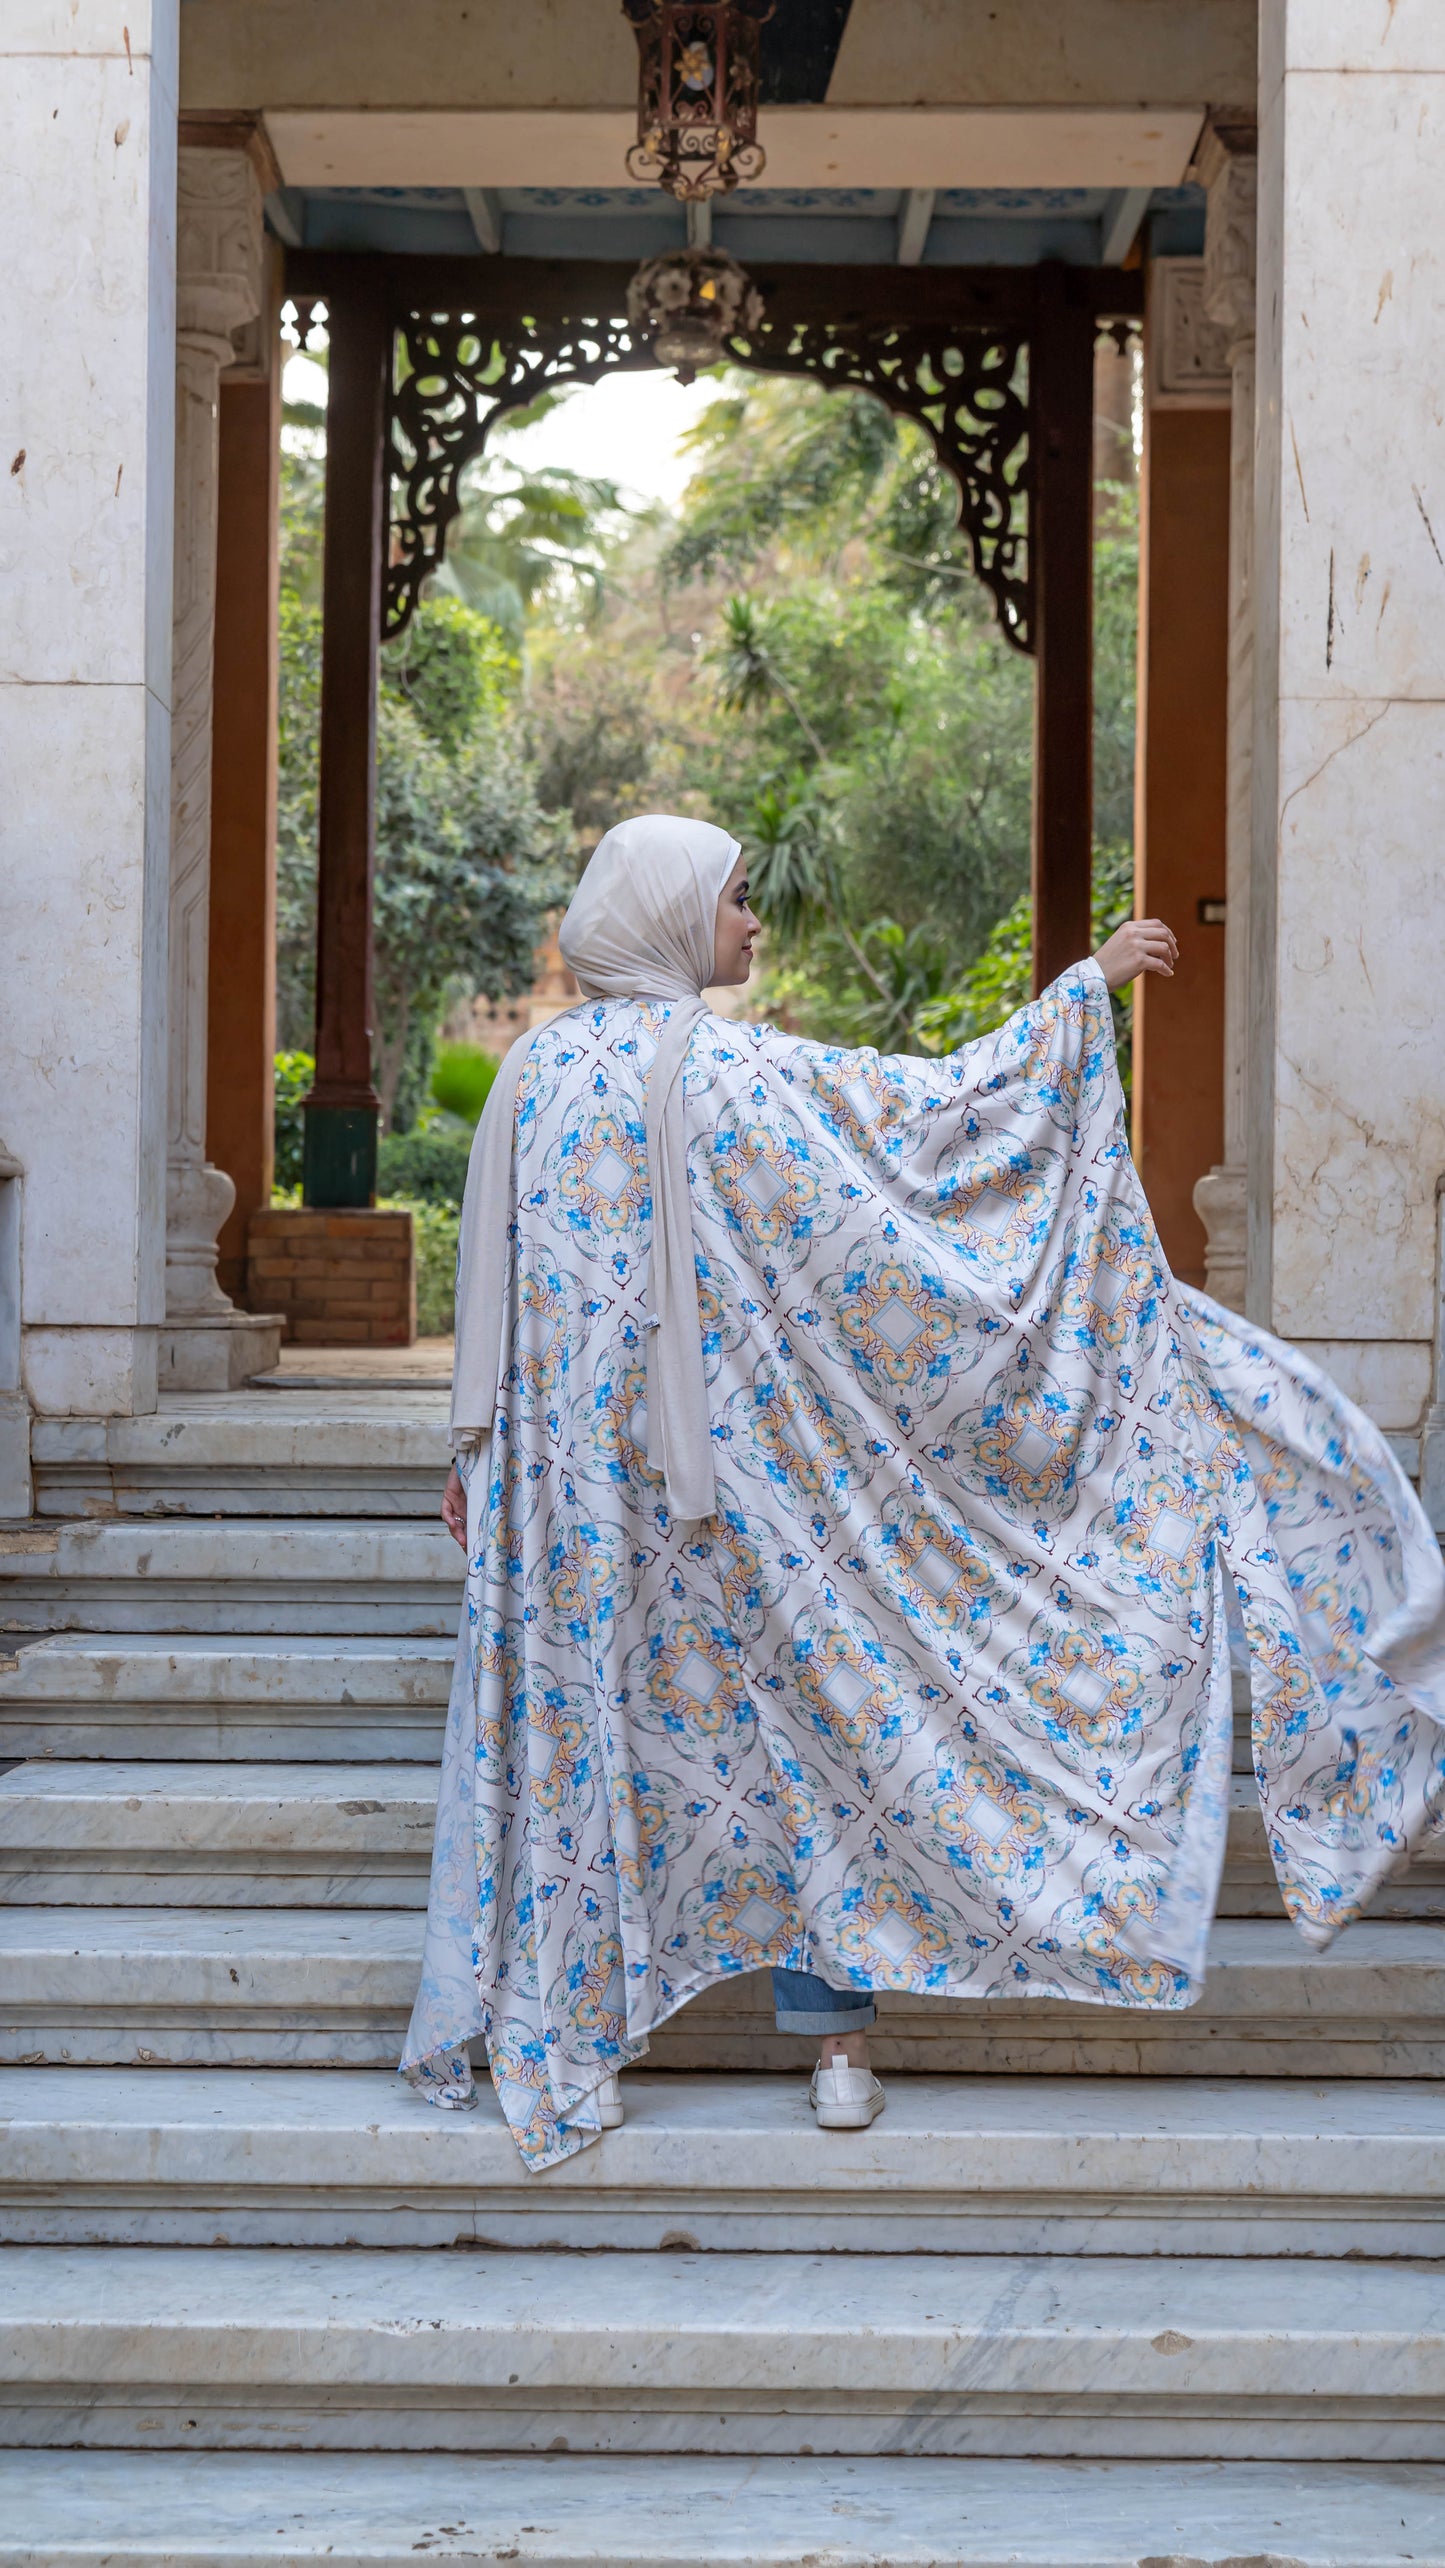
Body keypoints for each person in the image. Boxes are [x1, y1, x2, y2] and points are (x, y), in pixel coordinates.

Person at [403, 813, 1445, 2170]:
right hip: (721, 1495)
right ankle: (833, 2042)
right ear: (667, 916)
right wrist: (1081, 999)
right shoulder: (718, 1070)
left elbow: (487, 1284)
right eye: (731, 902)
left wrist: (471, 1449)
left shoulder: (536, 1072)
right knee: (809, 1742)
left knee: (589, 1733)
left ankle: (571, 2038)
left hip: (582, 1503)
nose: (750, 924)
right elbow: (925, 1137)